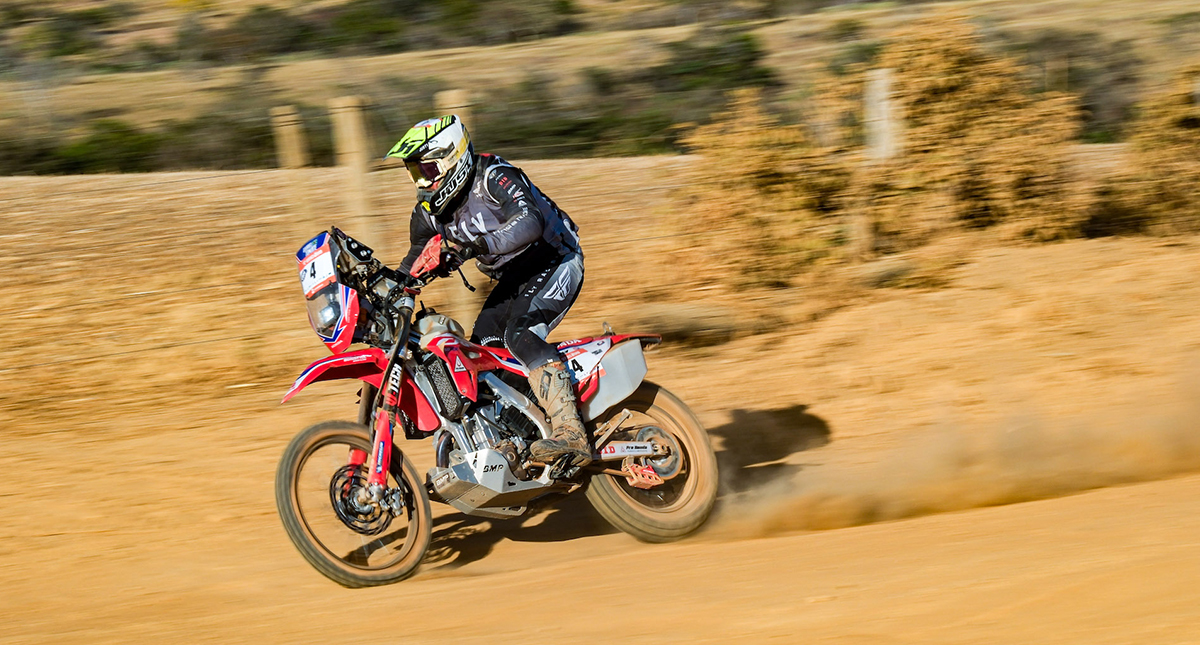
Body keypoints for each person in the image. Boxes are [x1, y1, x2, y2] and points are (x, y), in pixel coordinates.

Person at [385, 115, 590, 467]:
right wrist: (382, 293)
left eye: (427, 170)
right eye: (415, 173)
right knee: (481, 354)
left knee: (520, 333)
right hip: (513, 277)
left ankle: (572, 431)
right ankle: (520, 437)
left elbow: (530, 223)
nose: (422, 181)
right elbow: (410, 267)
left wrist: (469, 248)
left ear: (452, 158)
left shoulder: (494, 176)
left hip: (555, 257)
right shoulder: (428, 215)